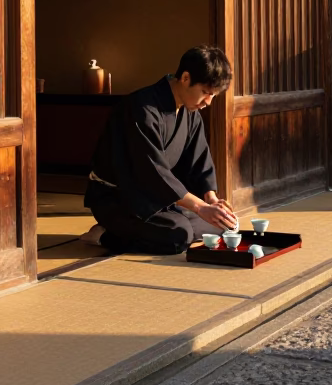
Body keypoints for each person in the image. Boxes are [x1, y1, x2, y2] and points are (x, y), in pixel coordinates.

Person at [79, 45, 238, 254]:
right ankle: (105, 234)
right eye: (205, 93)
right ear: (186, 78)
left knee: (220, 227)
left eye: (213, 96)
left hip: (160, 198)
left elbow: (199, 162)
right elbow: (152, 172)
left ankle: (155, 227)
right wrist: (199, 207)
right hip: (120, 199)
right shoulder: (142, 109)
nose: (208, 102)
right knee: (177, 236)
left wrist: (212, 201)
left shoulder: (191, 112)